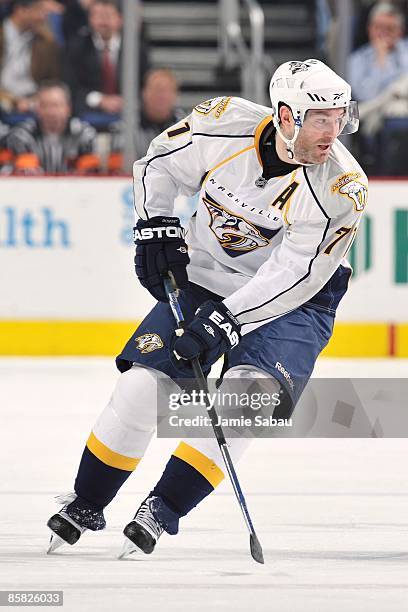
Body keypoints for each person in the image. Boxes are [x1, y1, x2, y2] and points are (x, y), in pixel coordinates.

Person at [46, 59, 367, 557]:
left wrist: (228, 321)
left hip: (295, 303)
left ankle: (163, 507)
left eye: (339, 117)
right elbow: (158, 164)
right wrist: (155, 223)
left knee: (247, 400)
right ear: (285, 115)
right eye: (320, 119)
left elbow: (295, 275)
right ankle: (87, 500)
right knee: (139, 389)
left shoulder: (341, 187)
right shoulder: (223, 124)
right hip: (207, 274)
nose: (333, 131)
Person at [64, 0, 149, 118]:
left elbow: (144, 83)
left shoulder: (135, 48)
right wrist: (99, 100)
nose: (103, 21)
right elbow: (72, 86)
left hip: (128, 112)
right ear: (90, 19)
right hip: (87, 112)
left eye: (108, 15)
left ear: (120, 19)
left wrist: (126, 101)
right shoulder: (76, 47)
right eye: (98, 16)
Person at [6, 80, 100, 173]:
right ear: (37, 109)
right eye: (45, 105)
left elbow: (88, 177)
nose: (51, 112)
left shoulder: (85, 135)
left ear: (68, 108)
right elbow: (25, 176)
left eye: (56, 105)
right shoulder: (22, 135)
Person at [108, 68, 186, 173]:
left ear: (175, 95)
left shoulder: (186, 126)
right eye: (156, 90)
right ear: (144, 93)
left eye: (166, 91)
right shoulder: (125, 126)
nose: (161, 96)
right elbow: (117, 166)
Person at [0, 0, 60, 113]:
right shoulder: (2, 35)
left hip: (35, 101)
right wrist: (13, 101)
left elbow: (52, 80)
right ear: (21, 10)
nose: (44, 17)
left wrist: (37, 99)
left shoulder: (46, 42)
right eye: (39, 10)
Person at [348, 2, 408, 103]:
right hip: (377, 111)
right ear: (369, 29)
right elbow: (365, 96)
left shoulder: (405, 49)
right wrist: (380, 59)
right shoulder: (357, 59)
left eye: (390, 29)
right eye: (378, 27)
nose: (384, 33)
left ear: (400, 31)